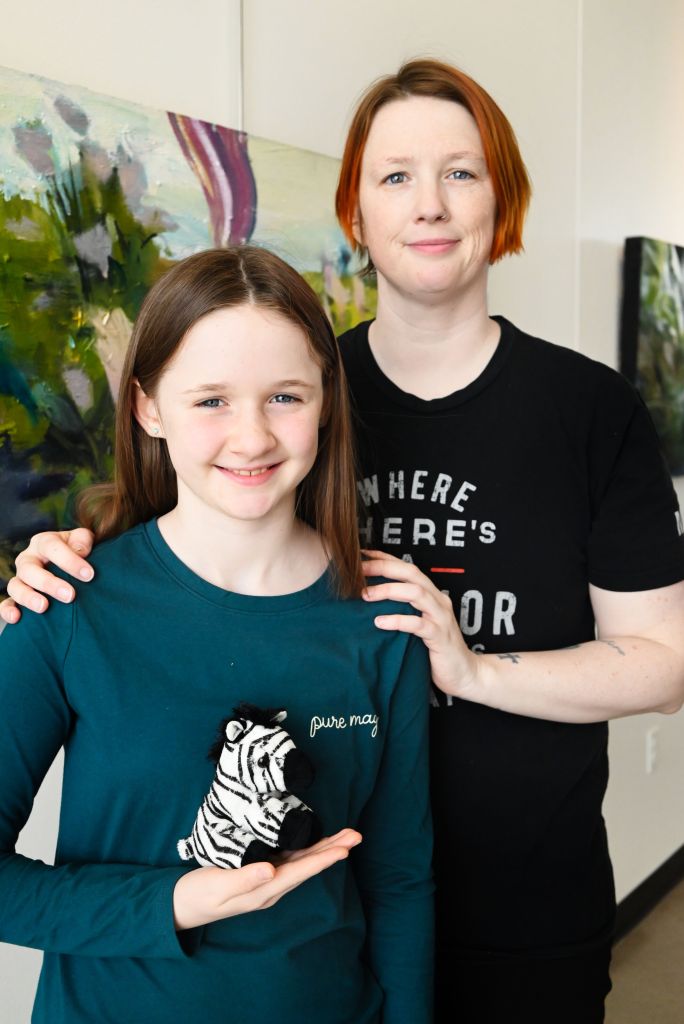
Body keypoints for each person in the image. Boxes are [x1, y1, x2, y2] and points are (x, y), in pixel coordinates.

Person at [4, 58, 684, 1024]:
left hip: (521, 901)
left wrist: (472, 666)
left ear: (506, 198)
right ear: (354, 212)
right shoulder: (281, 370)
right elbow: (176, 521)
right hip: (299, 931)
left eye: (463, 171)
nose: (431, 204)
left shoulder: (588, 409)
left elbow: (667, 663)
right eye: (395, 175)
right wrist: (50, 567)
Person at [0, 246, 433, 1024]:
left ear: (327, 400)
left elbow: (399, 879)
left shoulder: (383, 620)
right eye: (211, 401)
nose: (253, 437)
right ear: (149, 408)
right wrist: (170, 902)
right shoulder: (68, 606)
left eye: (285, 397)